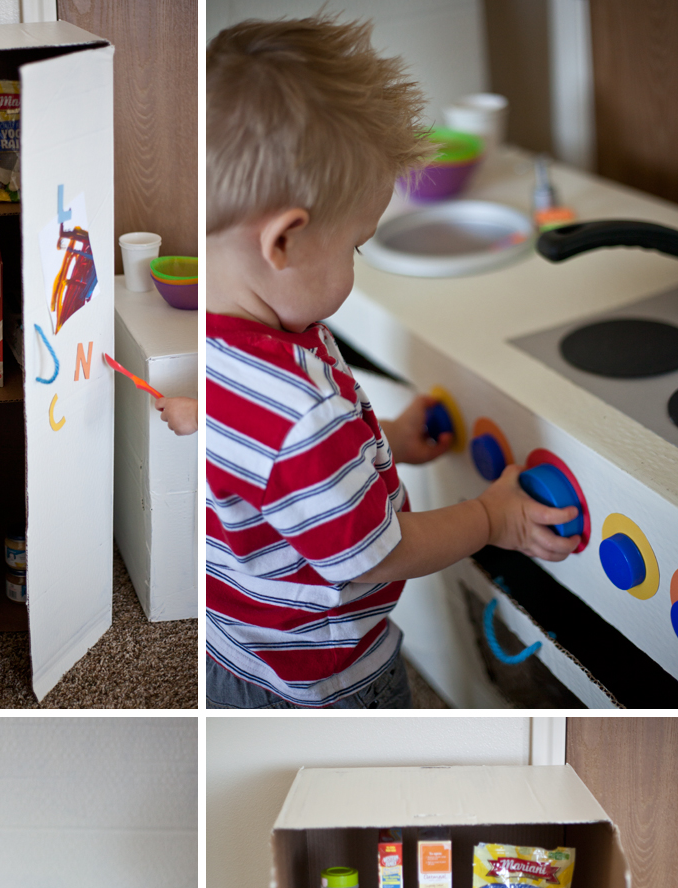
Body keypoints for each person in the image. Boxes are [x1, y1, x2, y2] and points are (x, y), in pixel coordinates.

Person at [206, 17, 580, 709]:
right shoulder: (298, 409)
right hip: (326, 677)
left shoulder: (212, 341)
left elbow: (279, 486)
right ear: (284, 241)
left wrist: (384, 442)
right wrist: (490, 521)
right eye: (355, 246)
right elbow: (373, 553)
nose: (354, 262)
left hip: (239, 648)